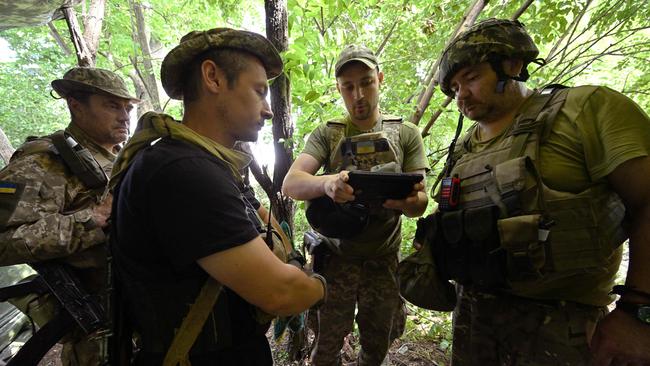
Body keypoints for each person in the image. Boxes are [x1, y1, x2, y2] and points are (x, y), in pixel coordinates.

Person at [426, 18, 650, 365]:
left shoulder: (584, 111)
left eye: (470, 78)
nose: (461, 95)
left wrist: (637, 311)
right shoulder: (463, 148)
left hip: (563, 327)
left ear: (512, 65)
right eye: (454, 88)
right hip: (474, 320)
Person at [109, 28, 325, 365]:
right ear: (213, 78)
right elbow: (282, 294)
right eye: (259, 91)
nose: (268, 110)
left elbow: (258, 217)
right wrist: (324, 283)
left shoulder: (208, 165)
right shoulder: (184, 171)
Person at [282, 44, 429, 365]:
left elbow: (421, 202)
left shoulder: (405, 133)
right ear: (339, 88)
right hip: (336, 260)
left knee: (377, 345)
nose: (358, 94)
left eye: (366, 82)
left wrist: (406, 201)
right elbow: (291, 184)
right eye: (348, 86)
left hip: (383, 261)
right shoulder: (328, 135)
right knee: (326, 346)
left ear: (380, 79)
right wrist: (328, 183)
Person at [0, 67, 137, 365]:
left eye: (127, 107)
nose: (125, 116)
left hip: (143, 318)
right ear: (76, 105)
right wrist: (90, 220)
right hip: (99, 336)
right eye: (112, 105)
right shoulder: (41, 163)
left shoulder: (121, 159)